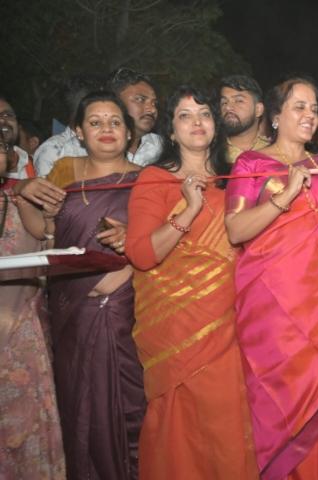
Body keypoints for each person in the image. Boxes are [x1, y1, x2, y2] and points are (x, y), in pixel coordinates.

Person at [225, 76, 318, 480]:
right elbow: (236, 230)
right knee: (281, 402)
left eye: (313, 107)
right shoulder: (250, 165)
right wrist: (284, 195)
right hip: (272, 313)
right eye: (299, 107)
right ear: (275, 117)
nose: (310, 115)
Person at [125, 86, 259, 479]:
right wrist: (190, 209)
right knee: (180, 430)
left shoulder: (236, 178)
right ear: (171, 130)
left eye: (204, 113)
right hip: (175, 327)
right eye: (185, 115)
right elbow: (142, 255)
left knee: (227, 423)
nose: (196, 122)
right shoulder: (154, 179)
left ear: (215, 125)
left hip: (229, 322)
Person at [15, 91, 147, 480]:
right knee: (77, 408)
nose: (106, 129)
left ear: (128, 132)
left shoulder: (150, 181)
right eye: (95, 122)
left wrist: (127, 274)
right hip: (70, 312)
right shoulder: (63, 172)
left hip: (127, 313)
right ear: (78, 131)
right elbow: (46, 234)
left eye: (115, 121)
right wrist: (24, 196)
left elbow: (162, 244)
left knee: (129, 408)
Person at [0, 121, 65, 479]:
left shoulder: (21, 197)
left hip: (22, 336)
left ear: (9, 156)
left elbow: (49, 246)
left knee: (24, 430)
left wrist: (52, 221)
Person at [34, 69, 163, 177]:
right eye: (140, 99)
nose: (152, 109)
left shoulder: (161, 146)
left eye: (154, 103)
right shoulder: (70, 152)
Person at [219, 74, 269, 163]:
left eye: (239, 101)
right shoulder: (212, 154)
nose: (228, 107)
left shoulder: (275, 152)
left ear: (258, 109)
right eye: (224, 102)